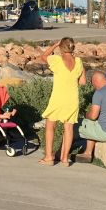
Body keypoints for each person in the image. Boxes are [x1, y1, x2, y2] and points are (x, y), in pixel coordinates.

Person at [37, 37, 86, 167]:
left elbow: (43, 56)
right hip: (72, 99)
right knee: (68, 128)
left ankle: (49, 157)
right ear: (73, 48)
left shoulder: (57, 60)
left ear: (61, 47)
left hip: (58, 98)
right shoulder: (79, 61)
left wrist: (54, 45)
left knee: (50, 126)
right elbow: (83, 82)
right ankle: (65, 159)